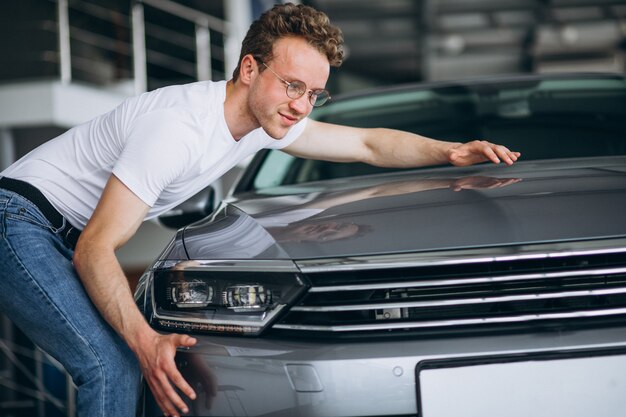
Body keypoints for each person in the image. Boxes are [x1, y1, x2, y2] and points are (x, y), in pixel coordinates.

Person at [0, 3, 520, 417]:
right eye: (292, 85)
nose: (301, 105)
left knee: (141, 361)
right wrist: (145, 339)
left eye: (314, 93)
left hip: (59, 233)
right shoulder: (179, 128)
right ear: (249, 68)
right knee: (111, 365)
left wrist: (450, 151)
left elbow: (367, 144)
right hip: (18, 219)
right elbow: (96, 248)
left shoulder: (264, 122)